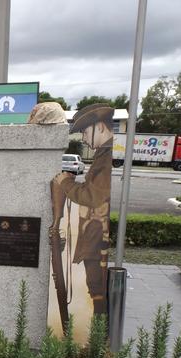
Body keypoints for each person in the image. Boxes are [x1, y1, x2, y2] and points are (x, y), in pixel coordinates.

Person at [52, 103, 114, 314]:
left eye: (86, 132)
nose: (85, 138)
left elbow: (93, 197)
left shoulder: (106, 158)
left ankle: (96, 339)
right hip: (94, 234)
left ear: (101, 127)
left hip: (98, 235)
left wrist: (66, 184)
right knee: (94, 285)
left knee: (96, 286)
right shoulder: (103, 156)